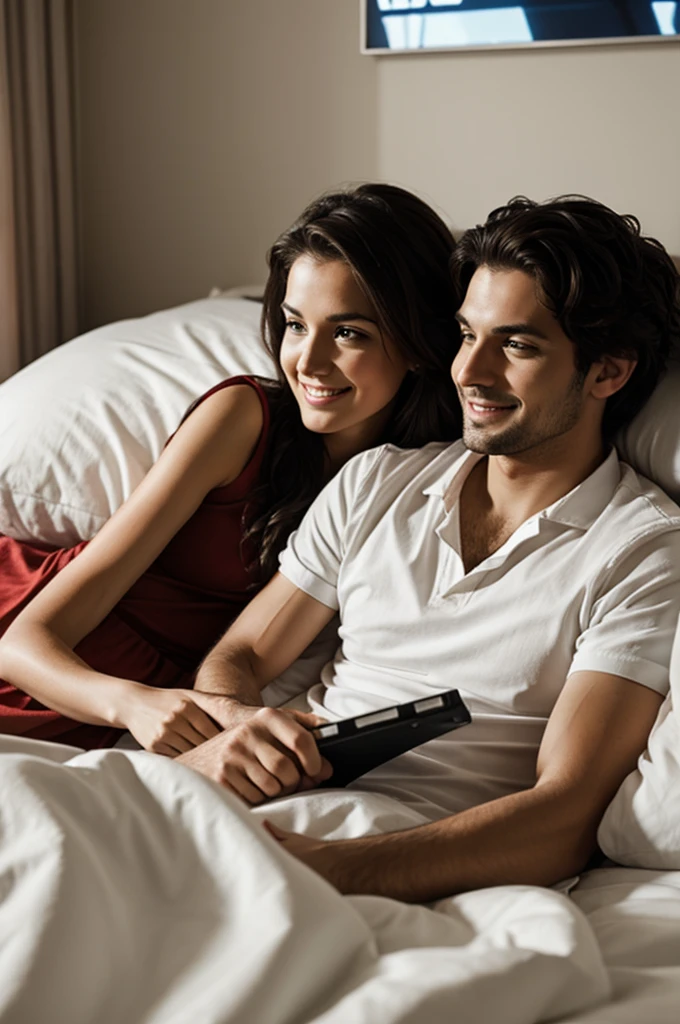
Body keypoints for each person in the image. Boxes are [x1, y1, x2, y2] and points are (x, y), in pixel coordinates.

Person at [176, 195, 680, 902]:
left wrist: (329, 869)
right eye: (467, 335)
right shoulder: (378, 479)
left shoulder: (639, 551)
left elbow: (565, 814)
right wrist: (241, 728)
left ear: (608, 372)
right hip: (256, 808)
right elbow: (244, 656)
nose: (470, 372)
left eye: (518, 345)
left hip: (407, 853)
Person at [0, 183, 462, 755]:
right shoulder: (242, 418)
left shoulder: (428, 475)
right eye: (295, 325)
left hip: (150, 697)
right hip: (53, 654)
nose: (309, 362)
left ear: (419, 342)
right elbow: (23, 642)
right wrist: (134, 702)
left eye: (348, 333)